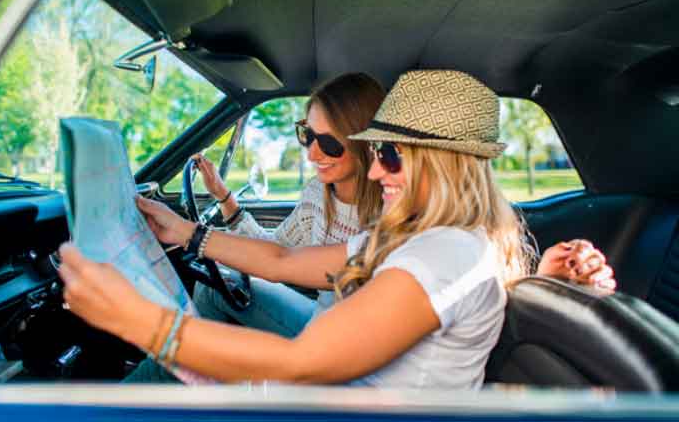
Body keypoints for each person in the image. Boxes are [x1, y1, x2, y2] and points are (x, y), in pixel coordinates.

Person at [59, 70, 612, 387]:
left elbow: (300, 361)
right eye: (373, 153)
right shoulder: (417, 239)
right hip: (334, 396)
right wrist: (188, 234)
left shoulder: (447, 253)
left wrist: (140, 321)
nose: (373, 171)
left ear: (444, 162)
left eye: (390, 156)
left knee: (168, 372)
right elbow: (281, 263)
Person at [193, 74, 614, 337]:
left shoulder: (418, 240)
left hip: (340, 348)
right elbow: (278, 255)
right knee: (219, 288)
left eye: (390, 155)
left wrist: (542, 289)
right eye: (307, 135)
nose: (312, 154)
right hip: (335, 337)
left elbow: (472, 300)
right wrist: (220, 209)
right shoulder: (382, 226)